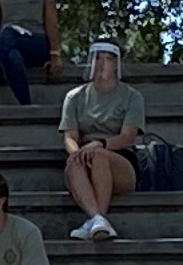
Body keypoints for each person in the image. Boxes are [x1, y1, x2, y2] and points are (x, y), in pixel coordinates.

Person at [57, 39, 147, 240]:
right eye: (98, 57)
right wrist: (76, 153)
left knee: (98, 155)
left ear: (117, 64)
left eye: (108, 58)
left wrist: (101, 144)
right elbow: (70, 136)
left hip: (119, 158)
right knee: (74, 164)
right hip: (85, 155)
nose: (102, 63)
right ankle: (97, 219)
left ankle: (97, 218)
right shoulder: (75, 97)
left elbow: (128, 137)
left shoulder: (132, 97)